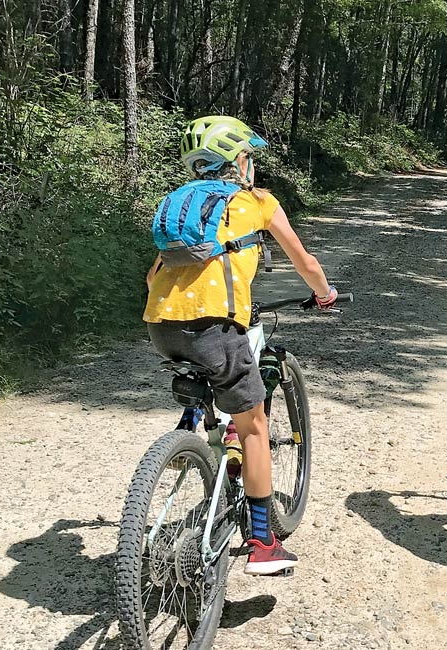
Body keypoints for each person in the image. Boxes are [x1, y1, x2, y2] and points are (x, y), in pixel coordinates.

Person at [143, 115, 338, 574]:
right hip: (217, 329)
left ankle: (192, 422)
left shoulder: (178, 202)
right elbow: (304, 261)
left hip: (162, 326)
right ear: (240, 160)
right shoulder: (258, 202)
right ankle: (264, 545)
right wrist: (324, 293)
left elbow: (153, 276)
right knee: (253, 427)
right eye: (249, 157)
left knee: (204, 365)